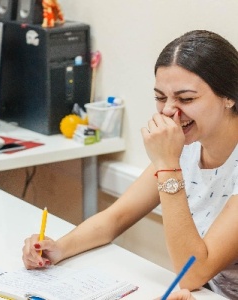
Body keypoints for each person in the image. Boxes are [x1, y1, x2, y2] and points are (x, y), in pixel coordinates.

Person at [22, 30, 238, 299]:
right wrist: (59, 248)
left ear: (229, 96)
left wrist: (168, 165)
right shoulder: (187, 146)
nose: (169, 111)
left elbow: (192, 273)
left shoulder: (174, 151)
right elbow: (116, 218)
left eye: (186, 99)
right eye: (161, 98)